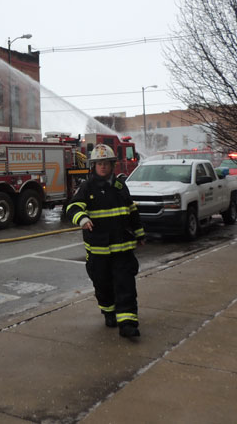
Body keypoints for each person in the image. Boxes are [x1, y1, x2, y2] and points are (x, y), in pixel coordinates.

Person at [66, 144, 145, 338]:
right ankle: (109, 312)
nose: (103, 167)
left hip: (123, 248)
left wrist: (140, 233)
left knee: (125, 284)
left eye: (106, 163)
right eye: (99, 163)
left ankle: (127, 323)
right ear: (94, 166)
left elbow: (132, 210)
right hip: (98, 250)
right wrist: (82, 219)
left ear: (112, 165)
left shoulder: (120, 186)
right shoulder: (87, 187)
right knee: (102, 285)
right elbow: (73, 207)